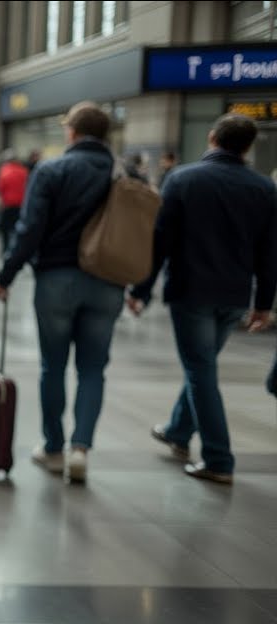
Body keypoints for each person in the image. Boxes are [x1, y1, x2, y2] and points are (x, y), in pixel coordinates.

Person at [128, 114, 276, 484]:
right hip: (235, 296)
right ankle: (178, 430)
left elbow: (161, 242)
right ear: (247, 147)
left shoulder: (183, 179)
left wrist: (141, 290)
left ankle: (218, 458)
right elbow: (270, 252)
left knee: (200, 370)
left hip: (192, 291)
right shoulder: (264, 189)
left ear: (211, 138)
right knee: (202, 366)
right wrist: (264, 303)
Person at [0, 101, 120, 483]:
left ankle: (54, 448)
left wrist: (5, 276)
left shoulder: (52, 169)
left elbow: (30, 230)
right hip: (108, 281)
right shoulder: (123, 174)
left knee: (54, 366)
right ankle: (81, 448)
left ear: (72, 132)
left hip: (57, 280)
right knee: (94, 368)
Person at [0, 149, 28, 255]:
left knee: (5, 230)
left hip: (7, 205)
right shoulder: (24, 171)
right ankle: (16, 251)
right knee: (17, 229)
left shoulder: (4, 171)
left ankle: (5, 250)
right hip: (21, 205)